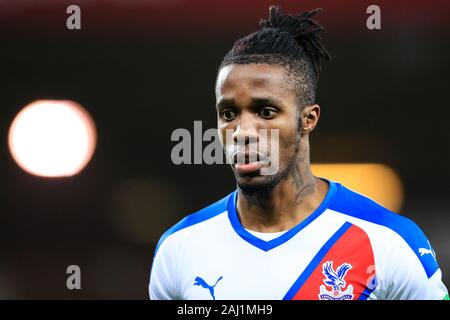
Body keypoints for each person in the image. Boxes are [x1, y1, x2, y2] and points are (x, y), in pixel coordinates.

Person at [149, 6, 448, 300]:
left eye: (265, 112)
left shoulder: (388, 242)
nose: (242, 132)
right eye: (228, 113)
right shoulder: (178, 250)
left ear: (308, 119)